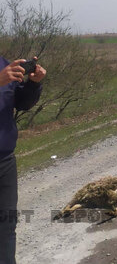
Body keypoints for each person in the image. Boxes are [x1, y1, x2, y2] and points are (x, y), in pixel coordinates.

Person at [1, 56, 46, 264]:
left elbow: (21, 103)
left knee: (6, 227)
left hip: (4, 162)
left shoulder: (3, 63)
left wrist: (33, 84)